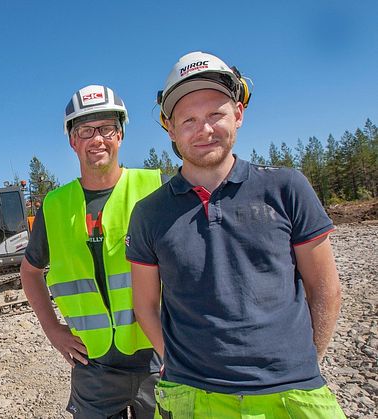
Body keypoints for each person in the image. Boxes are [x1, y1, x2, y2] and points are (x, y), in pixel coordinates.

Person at [126, 51, 345, 417]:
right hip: (196, 397)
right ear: (170, 128)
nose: (204, 130)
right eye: (189, 120)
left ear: (238, 114)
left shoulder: (286, 187)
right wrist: (174, 362)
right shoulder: (150, 213)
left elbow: (324, 287)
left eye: (216, 114)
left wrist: (307, 361)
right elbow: (145, 305)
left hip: (294, 395)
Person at [20, 84, 163, 419]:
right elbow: (30, 271)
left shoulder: (154, 189)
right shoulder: (55, 206)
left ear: (121, 135)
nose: (97, 139)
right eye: (86, 130)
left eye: (107, 128)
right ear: (73, 141)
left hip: (157, 360)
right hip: (93, 367)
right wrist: (53, 330)